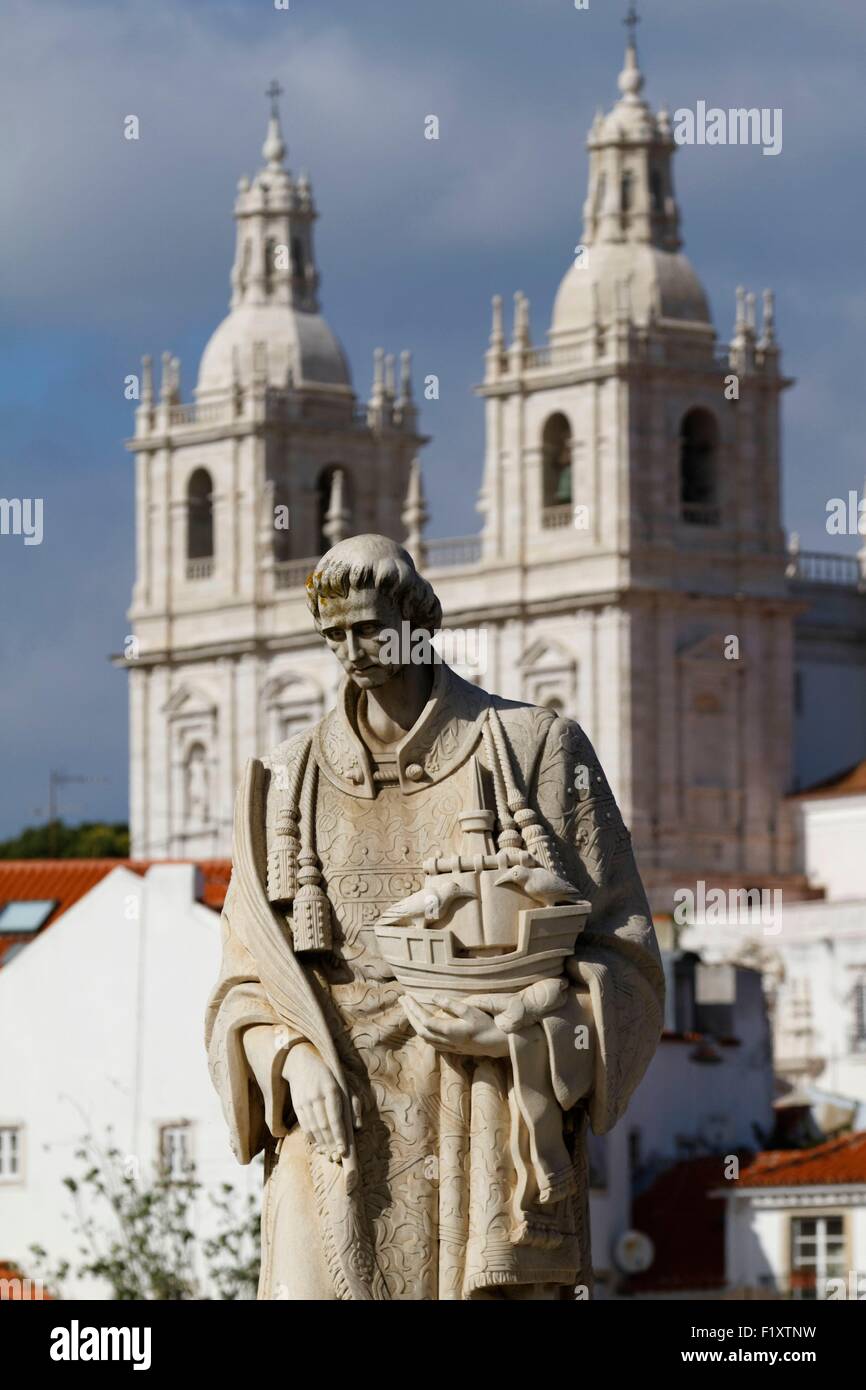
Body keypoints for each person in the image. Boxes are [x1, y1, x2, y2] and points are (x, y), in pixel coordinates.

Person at [205, 534, 664, 1299]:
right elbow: (241, 984)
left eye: (369, 628)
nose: (353, 651)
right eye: (334, 636)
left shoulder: (533, 747)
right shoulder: (285, 779)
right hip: (335, 1133)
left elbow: (626, 959)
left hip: (479, 1118)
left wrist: (525, 1035)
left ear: (419, 622)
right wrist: (288, 1059)